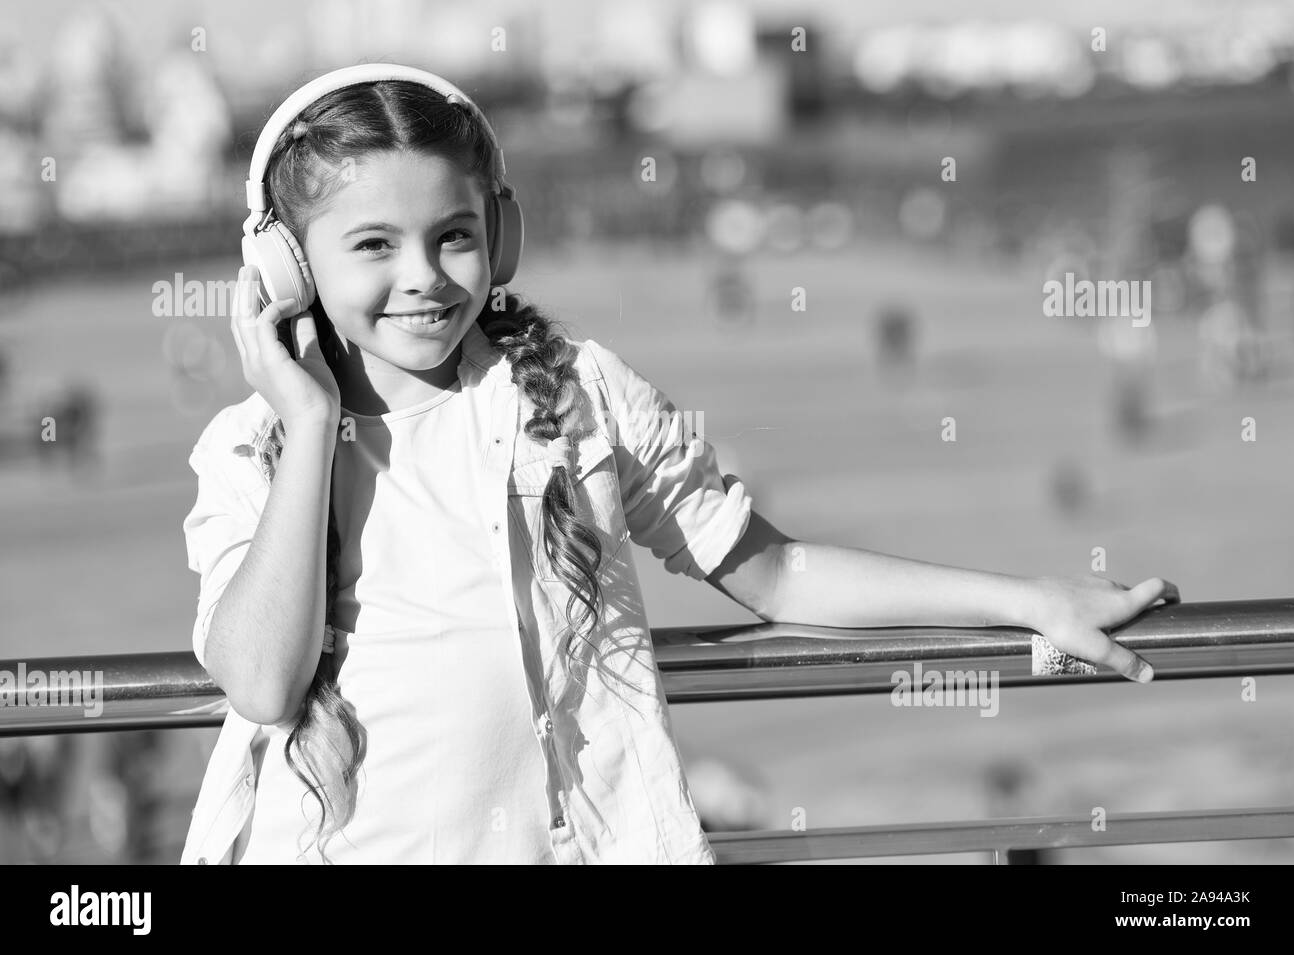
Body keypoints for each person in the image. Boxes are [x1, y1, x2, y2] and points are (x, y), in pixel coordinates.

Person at [180, 64, 1179, 866]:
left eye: (454, 236)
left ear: (504, 234)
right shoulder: (252, 448)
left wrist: (1029, 602)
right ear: (285, 269)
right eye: (372, 245)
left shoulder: (575, 392)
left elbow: (773, 570)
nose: (423, 278)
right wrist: (310, 425)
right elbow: (263, 684)